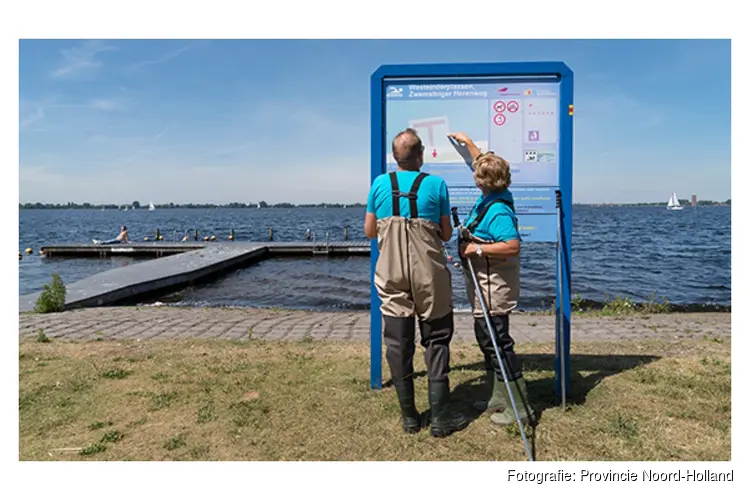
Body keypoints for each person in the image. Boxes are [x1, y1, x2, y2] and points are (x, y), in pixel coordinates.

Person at [365, 128, 470, 438]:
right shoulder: (436, 185)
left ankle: (410, 418)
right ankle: (439, 420)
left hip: (391, 270)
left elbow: (370, 231)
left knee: (397, 343)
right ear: (421, 155)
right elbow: (447, 234)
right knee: (436, 339)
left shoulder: (379, 184)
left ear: (394, 157)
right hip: (429, 273)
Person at [447, 131, 535, 426]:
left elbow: (512, 245)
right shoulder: (495, 193)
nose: (474, 174)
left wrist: (477, 247)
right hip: (483, 284)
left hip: (494, 286)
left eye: (477, 174)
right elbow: (482, 162)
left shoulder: (498, 210)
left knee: (498, 343)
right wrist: (468, 143)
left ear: (483, 181)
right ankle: (499, 396)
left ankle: (519, 406)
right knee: (487, 340)